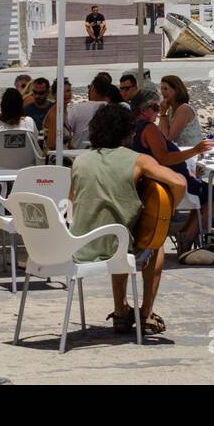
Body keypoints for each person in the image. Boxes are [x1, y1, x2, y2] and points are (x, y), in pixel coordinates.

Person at [69, 103, 187, 336]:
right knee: (155, 242)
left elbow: (71, 202)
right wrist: (166, 212)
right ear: (127, 133)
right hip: (116, 245)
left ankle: (121, 311)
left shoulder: (79, 162)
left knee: (117, 232)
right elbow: (179, 182)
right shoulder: (139, 160)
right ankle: (146, 314)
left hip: (79, 245)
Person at [130, 90, 214, 252]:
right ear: (144, 110)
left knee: (207, 193)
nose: (158, 111)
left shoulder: (133, 127)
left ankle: (186, 233)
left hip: (154, 181)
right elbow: (164, 158)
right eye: (155, 107)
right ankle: (187, 236)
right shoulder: (148, 128)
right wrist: (195, 150)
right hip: (172, 183)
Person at [44, 78, 103, 151]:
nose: (66, 94)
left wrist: (78, 152)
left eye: (68, 90)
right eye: (61, 91)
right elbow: (51, 144)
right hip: (55, 157)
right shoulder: (55, 114)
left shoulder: (65, 112)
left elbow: (67, 144)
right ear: (54, 95)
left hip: (65, 154)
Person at [157, 75, 205, 148]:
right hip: (181, 152)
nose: (163, 92)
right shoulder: (170, 110)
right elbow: (161, 134)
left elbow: (168, 138)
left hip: (192, 154)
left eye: (166, 89)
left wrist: (163, 114)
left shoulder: (184, 109)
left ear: (176, 90)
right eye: (161, 89)